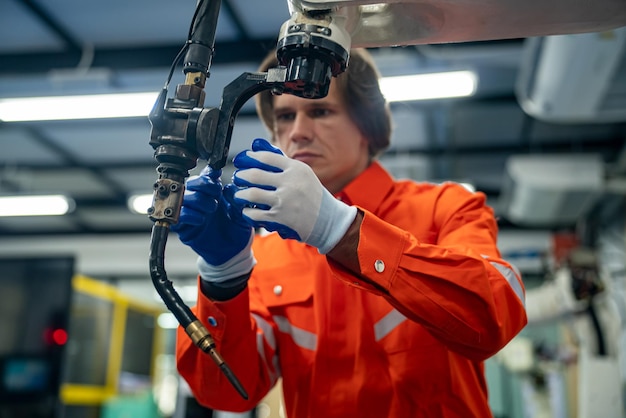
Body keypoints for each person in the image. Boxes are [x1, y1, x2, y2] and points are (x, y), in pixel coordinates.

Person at [173, 48, 527, 418]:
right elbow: (228, 392)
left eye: (320, 111)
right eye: (285, 116)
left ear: (367, 126)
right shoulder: (269, 255)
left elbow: (493, 317)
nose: (298, 132)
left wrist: (340, 230)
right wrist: (224, 277)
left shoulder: (444, 208)